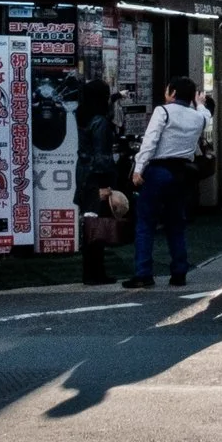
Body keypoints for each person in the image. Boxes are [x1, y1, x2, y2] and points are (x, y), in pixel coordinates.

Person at [122, 77, 207, 289]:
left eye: (168, 89)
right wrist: (201, 103)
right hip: (181, 174)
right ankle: (179, 272)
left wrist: (139, 168)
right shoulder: (198, 117)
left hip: (158, 170)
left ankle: (143, 273)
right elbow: (206, 115)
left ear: (173, 92)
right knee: (176, 224)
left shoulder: (164, 111)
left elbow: (150, 141)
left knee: (146, 223)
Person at [74, 77, 119, 286]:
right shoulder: (100, 121)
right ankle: (96, 273)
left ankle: (90, 272)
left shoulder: (82, 114)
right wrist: (105, 184)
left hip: (83, 174)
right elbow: (102, 155)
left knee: (89, 223)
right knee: (98, 225)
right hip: (96, 177)